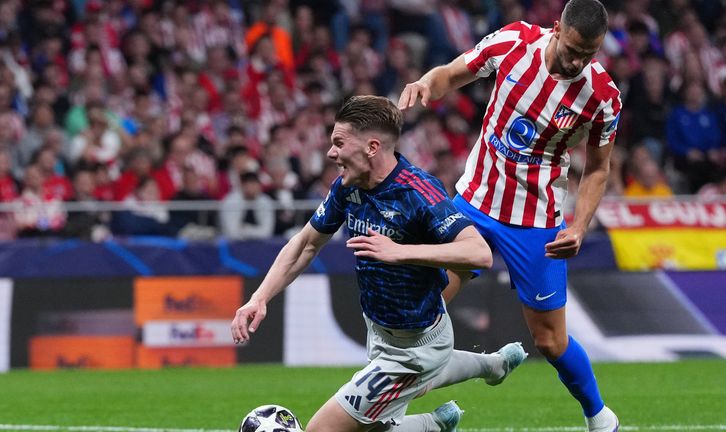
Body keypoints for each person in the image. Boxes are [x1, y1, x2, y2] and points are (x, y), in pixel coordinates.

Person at [231, 96, 527, 432]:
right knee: (370, 424)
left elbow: (479, 253)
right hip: (381, 331)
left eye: (339, 143)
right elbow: (305, 244)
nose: (331, 153)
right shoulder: (348, 187)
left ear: (372, 147)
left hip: (415, 347)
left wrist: (401, 251)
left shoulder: (417, 191)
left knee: (322, 431)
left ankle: (434, 423)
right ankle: (493, 367)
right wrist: (260, 297)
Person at [398, 1, 621, 431]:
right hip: (474, 204)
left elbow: (598, 168)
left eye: (588, 54)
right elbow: (451, 74)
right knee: (421, 309)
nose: (577, 62)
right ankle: (398, 408)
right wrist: (427, 83)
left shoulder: (602, 96)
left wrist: (579, 225)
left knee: (550, 340)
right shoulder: (514, 41)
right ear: (556, 28)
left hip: (537, 222)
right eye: (573, 49)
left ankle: (600, 417)